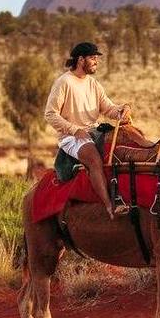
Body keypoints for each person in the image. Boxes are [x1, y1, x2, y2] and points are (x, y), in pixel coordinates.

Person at [44, 42, 132, 220]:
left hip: (94, 131)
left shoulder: (93, 84)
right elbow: (50, 114)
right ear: (80, 59)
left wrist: (122, 110)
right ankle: (110, 206)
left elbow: (108, 108)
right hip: (71, 137)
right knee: (93, 159)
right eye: (93, 58)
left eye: (97, 58)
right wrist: (74, 130)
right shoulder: (64, 82)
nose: (96, 62)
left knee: (126, 141)